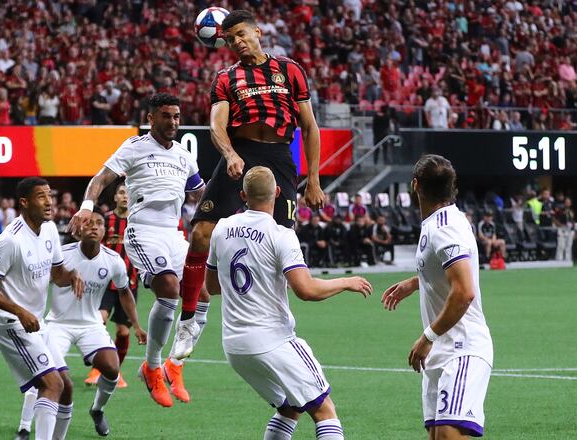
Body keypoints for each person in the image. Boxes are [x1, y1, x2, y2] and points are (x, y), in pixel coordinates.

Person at [172, 9, 327, 381]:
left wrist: (315, 180)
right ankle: (191, 318)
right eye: (229, 39)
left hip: (279, 159)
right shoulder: (226, 78)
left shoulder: (289, 69)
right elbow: (216, 124)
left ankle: (279, 324)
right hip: (239, 153)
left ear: (258, 31)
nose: (237, 42)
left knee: (281, 244)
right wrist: (229, 155)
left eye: (241, 34)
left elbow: (309, 125)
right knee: (201, 233)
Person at [205, 166, 372, 440]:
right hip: (272, 339)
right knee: (324, 410)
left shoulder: (222, 228)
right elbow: (305, 290)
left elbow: (211, 287)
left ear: (243, 195)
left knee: (290, 408)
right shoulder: (281, 234)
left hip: (235, 346)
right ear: (278, 193)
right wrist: (346, 282)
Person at [69, 93, 205, 407]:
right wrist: (86, 207)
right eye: (166, 116)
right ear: (152, 117)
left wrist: (232, 192)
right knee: (170, 288)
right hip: (143, 231)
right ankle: (153, 367)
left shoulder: (184, 155)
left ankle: (175, 365)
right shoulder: (134, 147)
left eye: (176, 116)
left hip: (173, 234)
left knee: (203, 294)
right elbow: (101, 178)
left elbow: (200, 192)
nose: (173, 122)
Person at [382, 155, 493, 439]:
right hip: (441, 350)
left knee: (447, 435)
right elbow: (448, 272)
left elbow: (464, 291)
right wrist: (416, 281)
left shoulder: (445, 228)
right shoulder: (443, 220)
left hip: (462, 347)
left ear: (415, 185)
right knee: (436, 436)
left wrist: (427, 337)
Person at [15, 211, 146, 439]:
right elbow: (36, 281)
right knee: (45, 374)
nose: (94, 227)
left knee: (112, 369)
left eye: (99, 224)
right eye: (88, 223)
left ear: (105, 231)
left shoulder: (113, 261)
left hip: (91, 325)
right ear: (79, 230)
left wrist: (136, 325)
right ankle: (25, 427)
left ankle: (97, 410)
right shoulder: (61, 255)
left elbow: (124, 293)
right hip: (57, 324)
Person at [0, 177, 83, 440]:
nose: (49, 202)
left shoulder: (49, 230)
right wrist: (19, 311)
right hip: (9, 324)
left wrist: (71, 276)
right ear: (24, 203)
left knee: (66, 387)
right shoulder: (9, 240)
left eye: (50, 195)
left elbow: (57, 274)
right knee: (52, 384)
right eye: (41, 196)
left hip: (35, 322)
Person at [85, 183, 138, 388]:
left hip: (129, 283)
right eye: (122, 192)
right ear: (115, 197)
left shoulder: (138, 222)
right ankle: (97, 368)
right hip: (105, 283)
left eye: (129, 193)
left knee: (123, 333)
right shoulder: (105, 220)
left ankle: (115, 371)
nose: (126, 196)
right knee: (99, 322)